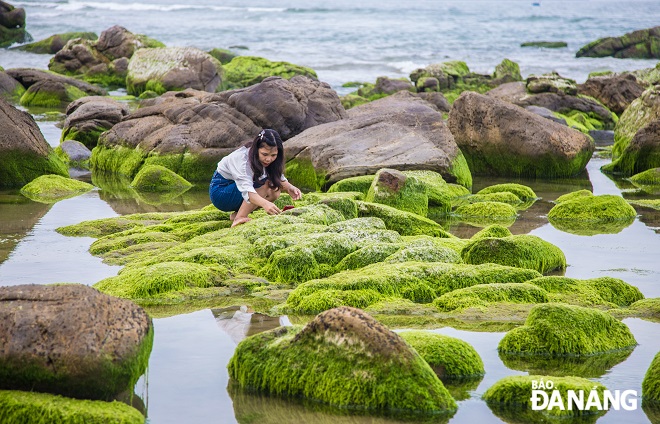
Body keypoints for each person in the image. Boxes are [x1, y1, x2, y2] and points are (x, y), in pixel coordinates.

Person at [209, 128, 302, 227]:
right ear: (256, 148)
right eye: (264, 154)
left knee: (274, 190)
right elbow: (247, 189)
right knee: (264, 185)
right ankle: (240, 217)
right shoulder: (242, 159)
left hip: (236, 189)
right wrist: (265, 204)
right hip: (221, 191)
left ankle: (237, 214)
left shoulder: (268, 160)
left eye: (273, 155)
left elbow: (275, 176)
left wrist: (289, 187)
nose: (268, 159)